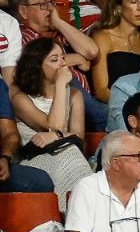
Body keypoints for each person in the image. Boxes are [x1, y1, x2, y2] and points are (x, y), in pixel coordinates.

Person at [10, 39, 94, 207]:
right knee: (69, 155)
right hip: (33, 157)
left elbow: (78, 137)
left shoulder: (75, 95)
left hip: (68, 153)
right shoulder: (21, 98)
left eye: (63, 58)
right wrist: (61, 85)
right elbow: (53, 125)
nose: (62, 64)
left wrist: (55, 136)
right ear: (36, 66)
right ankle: (70, 211)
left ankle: (85, 211)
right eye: (54, 60)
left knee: (71, 153)